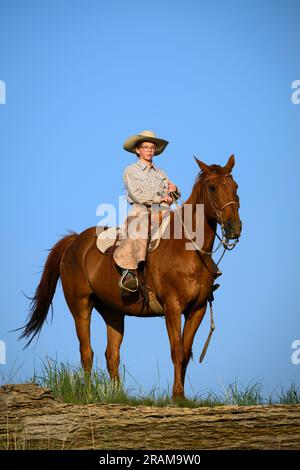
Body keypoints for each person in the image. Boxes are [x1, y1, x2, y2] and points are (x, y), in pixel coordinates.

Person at [113, 130, 181, 293]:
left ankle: (203, 270)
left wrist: (174, 191)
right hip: (141, 211)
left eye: (152, 147)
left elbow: (170, 192)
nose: (150, 150)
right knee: (139, 228)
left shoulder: (161, 173)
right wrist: (160, 199)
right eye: (146, 147)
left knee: (189, 225)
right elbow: (137, 194)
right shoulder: (131, 170)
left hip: (163, 212)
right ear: (138, 150)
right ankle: (128, 272)